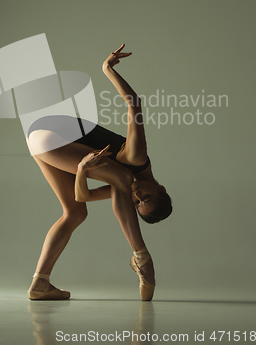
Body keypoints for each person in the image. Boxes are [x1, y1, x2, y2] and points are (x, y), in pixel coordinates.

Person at [26, 44, 172, 301]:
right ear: (161, 188)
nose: (136, 196)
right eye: (145, 197)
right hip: (52, 130)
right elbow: (135, 105)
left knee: (75, 212)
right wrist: (107, 69)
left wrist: (82, 170)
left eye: (137, 203)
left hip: (40, 142)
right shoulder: (135, 159)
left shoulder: (124, 184)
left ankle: (40, 283)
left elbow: (83, 198)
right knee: (122, 178)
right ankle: (142, 258)